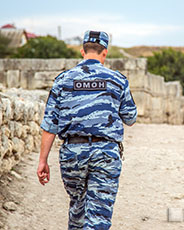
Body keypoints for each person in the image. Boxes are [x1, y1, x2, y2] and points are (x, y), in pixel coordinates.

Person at [37, 30, 137, 229]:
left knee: (77, 208)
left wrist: (42, 161)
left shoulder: (63, 80)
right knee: (99, 215)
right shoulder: (117, 80)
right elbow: (130, 118)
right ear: (105, 53)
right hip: (105, 154)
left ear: (82, 51)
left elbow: (50, 125)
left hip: (72, 155)